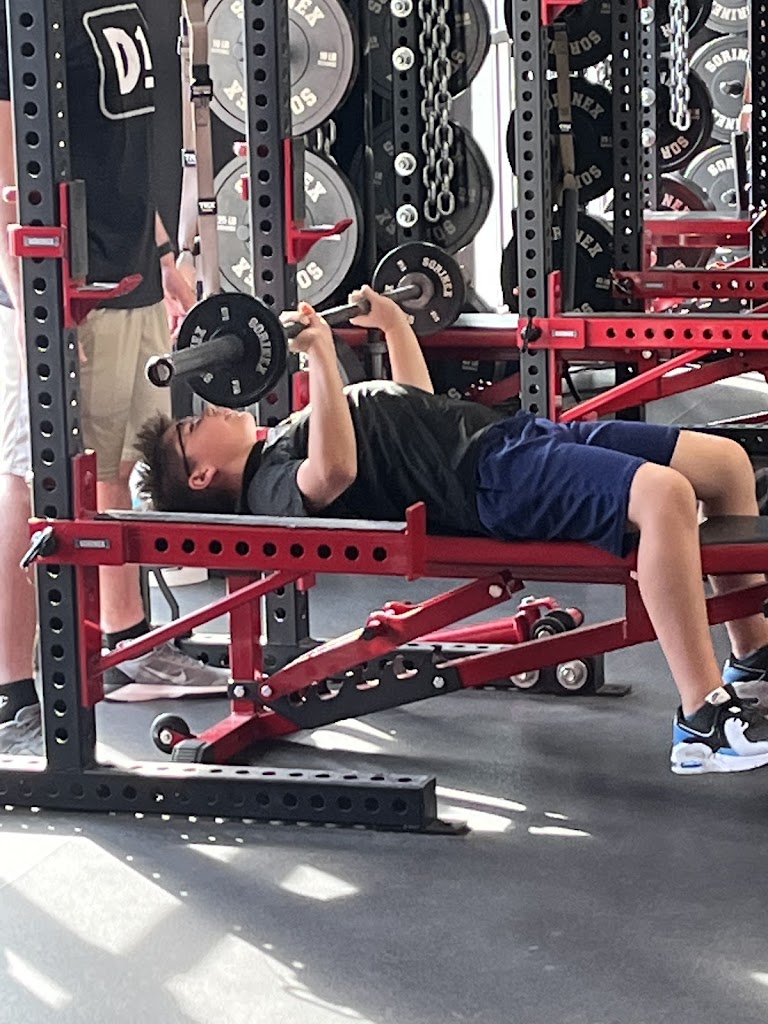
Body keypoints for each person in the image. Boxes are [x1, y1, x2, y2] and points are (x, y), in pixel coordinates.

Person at [134, 286, 768, 775]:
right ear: (201, 476)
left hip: (511, 438)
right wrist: (322, 353)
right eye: (192, 428)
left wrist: (394, 325)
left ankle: (752, 659)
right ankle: (701, 722)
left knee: (726, 465)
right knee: (664, 497)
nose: (208, 410)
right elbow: (333, 474)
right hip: (488, 480)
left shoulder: (283, 438)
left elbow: (415, 403)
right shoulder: (268, 488)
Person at [0, 0, 229, 758]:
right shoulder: (29, 10)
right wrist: (30, 298)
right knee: (32, 479)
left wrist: (165, 255)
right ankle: (10, 691)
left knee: (122, 461)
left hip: (132, 276)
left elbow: (132, 145)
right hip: (59, 284)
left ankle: (129, 645)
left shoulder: (151, 6)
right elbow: (4, 167)